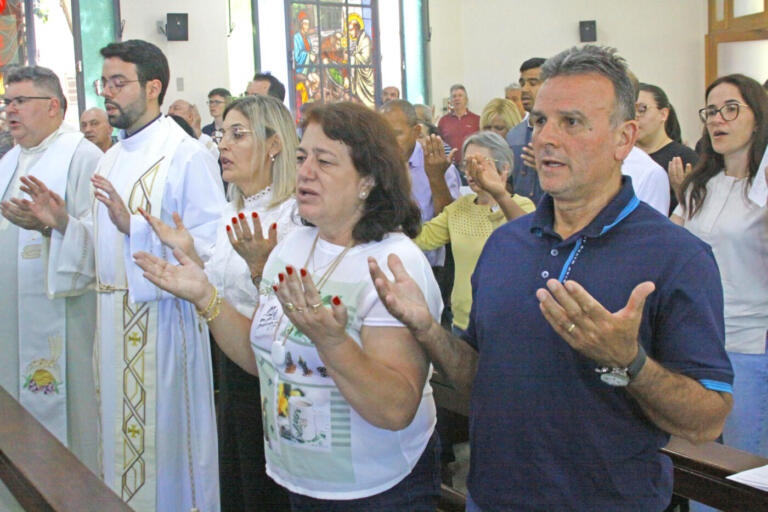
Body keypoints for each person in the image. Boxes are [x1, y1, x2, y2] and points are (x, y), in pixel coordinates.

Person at [370, 45, 734, 511]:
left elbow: (706, 423)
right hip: (494, 498)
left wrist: (630, 362)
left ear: (624, 139)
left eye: (572, 122)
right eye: (540, 121)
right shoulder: (506, 244)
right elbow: (480, 378)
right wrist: (427, 329)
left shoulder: (676, 256)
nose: (544, 139)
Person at [134, 102, 443, 511]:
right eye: (302, 157)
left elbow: (396, 407)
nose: (306, 171)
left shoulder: (390, 263)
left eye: (325, 161)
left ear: (368, 179)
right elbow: (260, 355)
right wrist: (205, 296)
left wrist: (333, 342)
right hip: (299, 481)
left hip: (374, 489)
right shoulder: (292, 248)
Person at [22, 39, 225, 512]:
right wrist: (64, 225)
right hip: (113, 327)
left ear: (153, 87)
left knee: (167, 462)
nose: (107, 92)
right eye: (104, 82)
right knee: (117, 455)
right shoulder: (112, 156)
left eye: (119, 82)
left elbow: (210, 248)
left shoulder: (186, 154)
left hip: (167, 330)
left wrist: (133, 228)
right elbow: (101, 246)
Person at [143, 94, 299, 511]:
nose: (222, 144)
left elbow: (296, 310)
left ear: (274, 145)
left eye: (238, 134)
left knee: (270, 493)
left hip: (277, 376)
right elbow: (222, 289)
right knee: (238, 483)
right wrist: (189, 255)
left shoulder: (295, 216)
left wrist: (260, 269)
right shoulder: (236, 210)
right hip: (233, 367)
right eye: (220, 134)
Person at [0, 66, 102, 486]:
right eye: (7, 102)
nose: (10, 111)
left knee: (69, 424)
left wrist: (54, 225)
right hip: (10, 322)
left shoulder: (83, 157)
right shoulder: (8, 161)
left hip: (66, 319)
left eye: (20, 101)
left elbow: (101, 242)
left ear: (54, 106)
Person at [672, 73, 768, 461]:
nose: (717, 120)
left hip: (748, 341)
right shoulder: (700, 186)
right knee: (700, 462)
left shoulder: (761, 189)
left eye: (731, 109)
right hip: (695, 341)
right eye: (711, 111)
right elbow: (671, 247)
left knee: (742, 463)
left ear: (758, 117)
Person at [414, 131, 534, 336]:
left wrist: (498, 194)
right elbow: (421, 239)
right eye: (466, 164)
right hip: (462, 321)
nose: (471, 172)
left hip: (506, 322)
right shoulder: (459, 208)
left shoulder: (521, 205)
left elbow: (528, 239)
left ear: (504, 168)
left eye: (479, 163)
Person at [635, 83, 699, 213]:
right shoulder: (624, 156)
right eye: (629, 111)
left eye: (642, 109)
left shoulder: (684, 158)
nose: (634, 116)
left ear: (663, 114)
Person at [506, 57, 546, 203]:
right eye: (522, 83)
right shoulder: (512, 135)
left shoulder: (565, 134)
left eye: (533, 83)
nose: (524, 89)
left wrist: (547, 168)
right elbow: (509, 184)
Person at [437, 84, 479, 165]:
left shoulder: (477, 119)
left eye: (460, 96)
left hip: (471, 164)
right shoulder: (443, 121)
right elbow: (440, 144)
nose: (457, 99)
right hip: (449, 165)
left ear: (466, 99)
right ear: (451, 101)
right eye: (454, 96)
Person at [347, 13, 375, 107]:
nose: (349, 33)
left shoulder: (365, 39)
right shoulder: (359, 40)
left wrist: (353, 55)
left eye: (350, 30)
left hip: (366, 77)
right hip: (359, 77)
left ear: (356, 29)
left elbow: (365, 59)